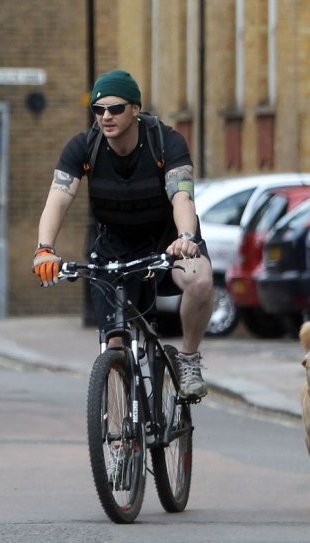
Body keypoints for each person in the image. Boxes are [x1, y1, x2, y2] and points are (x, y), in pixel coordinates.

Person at [33, 68, 214, 399]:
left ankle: (188, 358)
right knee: (114, 343)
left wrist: (186, 236)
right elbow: (57, 201)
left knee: (200, 281)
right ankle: (119, 439)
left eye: (115, 108)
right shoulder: (83, 148)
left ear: (135, 109)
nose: (106, 116)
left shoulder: (166, 142)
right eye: (98, 109)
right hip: (115, 249)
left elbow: (182, 196)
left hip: (168, 244)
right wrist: (45, 249)